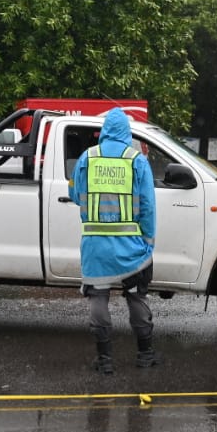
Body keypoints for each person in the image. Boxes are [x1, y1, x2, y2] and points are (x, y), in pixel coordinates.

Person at [68, 107, 159, 374]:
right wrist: (148, 241)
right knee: (136, 296)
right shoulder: (137, 161)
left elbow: (73, 193)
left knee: (98, 297)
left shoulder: (87, 158)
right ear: (126, 133)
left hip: (95, 246)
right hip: (131, 247)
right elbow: (148, 206)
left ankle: (105, 359)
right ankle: (145, 355)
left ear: (104, 131)